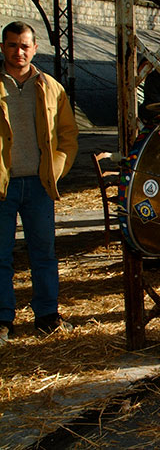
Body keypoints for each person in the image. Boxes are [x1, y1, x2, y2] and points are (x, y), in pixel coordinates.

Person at [0, 21, 79, 345]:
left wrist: (54, 170)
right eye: (12, 45)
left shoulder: (50, 87)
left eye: (25, 45)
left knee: (43, 253)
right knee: (0, 255)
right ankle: (3, 319)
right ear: (2, 47)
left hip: (38, 186)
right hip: (2, 187)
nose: (19, 51)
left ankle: (47, 315)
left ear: (35, 48)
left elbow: (68, 137)